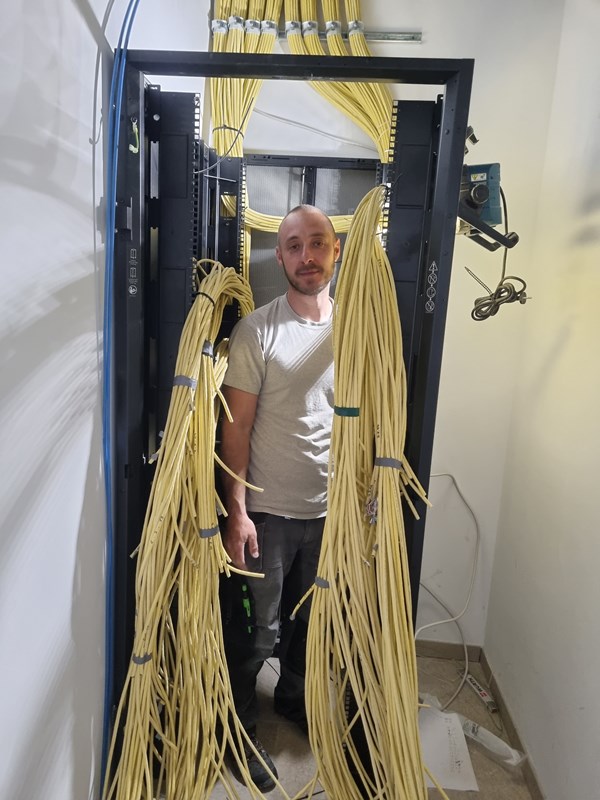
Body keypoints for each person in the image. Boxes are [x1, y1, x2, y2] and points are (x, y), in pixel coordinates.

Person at [219, 204, 340, 792]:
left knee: (309, 626)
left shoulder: (356, 330)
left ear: (335, 250)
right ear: (280, 256)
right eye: (294, 245)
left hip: (330, 513)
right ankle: (240, 732)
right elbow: (235, 427)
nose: (306, 256)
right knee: (255, 636)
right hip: (268, 514)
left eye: (316, 243)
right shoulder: (258, 330)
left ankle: (292, 698)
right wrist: (238, 513)